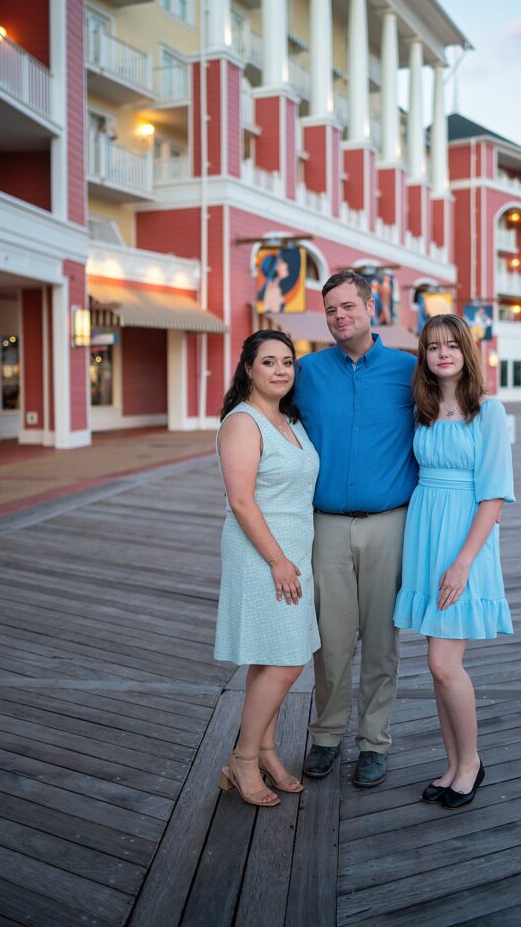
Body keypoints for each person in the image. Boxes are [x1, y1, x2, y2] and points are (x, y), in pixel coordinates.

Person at [295, 270, 417, 787]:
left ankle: (374, 742)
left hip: (390, 523)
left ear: (372, 306)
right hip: (325, 527)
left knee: (382, 641)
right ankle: (326, 736)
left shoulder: (409, 372)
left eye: (348, 306)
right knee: (331, 640)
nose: (339, 316)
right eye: (330, 310)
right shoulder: (305, 372)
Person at [393, 313, 514, 809]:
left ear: (467, 352)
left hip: (465, 538)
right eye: (432, 346)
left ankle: (472, 764)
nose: (442, 354)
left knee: (444, 664)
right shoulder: (422, 410)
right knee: (436, 664)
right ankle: (451, 763)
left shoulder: (487, 410)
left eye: (451, 345)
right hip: (425, 534)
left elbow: (494, 497)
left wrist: (463, 561)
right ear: (424, 356)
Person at [214, 330, 321, 807]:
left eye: (288, 362)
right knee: (287, 659)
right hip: (264, 554)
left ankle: (267, 752)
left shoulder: (290, 420)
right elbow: (240, 500)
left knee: (269, 655)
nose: (281, 370)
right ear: (248, 369)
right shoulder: (243, 422)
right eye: (269, 362)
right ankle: (241, 758)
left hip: (293, 551)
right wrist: (278, 560)